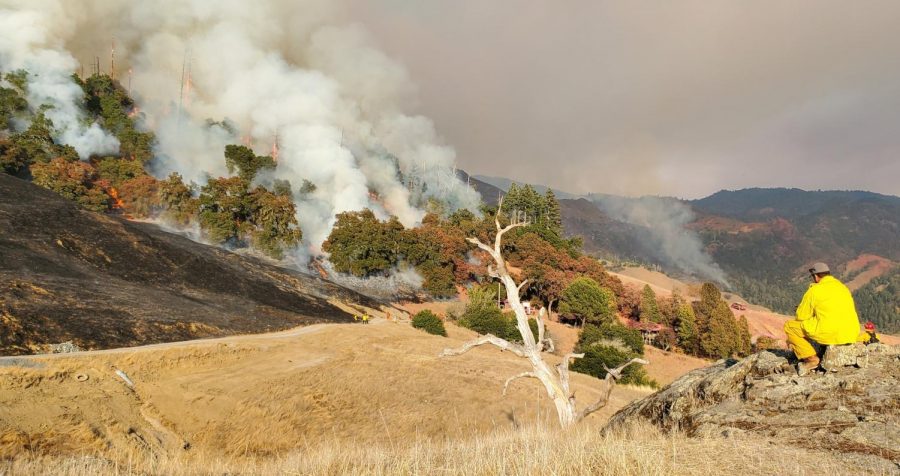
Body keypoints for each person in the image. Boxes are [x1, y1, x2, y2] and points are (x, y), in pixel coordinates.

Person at [784, 262, 860, 375]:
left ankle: (811, 359)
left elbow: (801, 316)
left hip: (830, 332)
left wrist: (800, 308)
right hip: (851, 333)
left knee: (790, 327)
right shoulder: (843, 287)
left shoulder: (814, 290)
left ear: (815, 276)